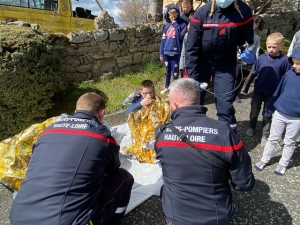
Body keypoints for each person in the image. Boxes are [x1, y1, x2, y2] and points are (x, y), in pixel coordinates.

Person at [10, 92, 134, 225]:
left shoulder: (48, 131)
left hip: (18, 217)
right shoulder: (102, 136)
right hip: (67, 221)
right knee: (124, 177)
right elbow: (112, 168)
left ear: (76, 110)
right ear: (102, 112)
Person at [155, 78, 255, 225]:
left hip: (176, 215)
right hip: (215, 216)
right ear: (198, 99)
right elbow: (244, 183)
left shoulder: (161, 133)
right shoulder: (224, 132)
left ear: (174, 103)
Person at [185, 0, 254, 132]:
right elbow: (191, 47)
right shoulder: (202, 13)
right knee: (195, 102)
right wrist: (193, 76)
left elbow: (247, 39)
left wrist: (247, 49)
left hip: (226, 64)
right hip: (202, 62)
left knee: (225, 104)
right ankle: (194, 136)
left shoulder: (243, 11)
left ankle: (227, 139)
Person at [254, 47, 300, 176]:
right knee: (273, 138)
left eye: (298, 63)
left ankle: (283, 164)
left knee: (290, 142)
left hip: (297, 118)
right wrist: (271, 106)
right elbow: (279, 90)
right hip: (280, 113)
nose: (294, 66)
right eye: (293, 62)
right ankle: (264, 159)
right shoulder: (289, 74)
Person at [243, 32, 292, 147]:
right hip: (258, 91)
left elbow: (287, 77)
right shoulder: (261, 58)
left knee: (267, 114)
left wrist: (285, 93)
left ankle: (265, 134)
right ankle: (252, 126)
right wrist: (246, 87)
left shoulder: (285, 61)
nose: (271, 49)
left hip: (273, 93)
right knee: (254, 112)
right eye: (269, 46)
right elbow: (254, 73)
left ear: (281, 45)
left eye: (274, 47)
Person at [159, 5, 187, 94]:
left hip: (175, 52)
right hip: (166, 52)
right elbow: (163, 40)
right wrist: (161, 53)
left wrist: (175, 24)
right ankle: (167, 87)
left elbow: (180, 36)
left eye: (174, 16)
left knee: (175, 72)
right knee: (167, 72)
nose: (173, 18)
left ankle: (174, 88)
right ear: (168, 16)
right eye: (171, 17)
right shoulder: (166, 27)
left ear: (178, 15)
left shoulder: (182, 25)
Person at [234, 17, 261, 103]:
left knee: (242, 78)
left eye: (252, 23)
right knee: (235, 76)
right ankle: (231, 93)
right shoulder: (241, 34)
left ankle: (237, 94)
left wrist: (256, 63)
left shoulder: (256, 37)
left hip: (248, 61)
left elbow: (257, 50)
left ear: (256, 25)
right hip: (238, 58)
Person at [179, 12, 194, 78]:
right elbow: (183, 52)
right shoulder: (186, 35)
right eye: (190, 22)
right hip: (186, 66)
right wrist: (181, 66)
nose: (190, 24)